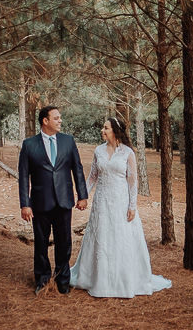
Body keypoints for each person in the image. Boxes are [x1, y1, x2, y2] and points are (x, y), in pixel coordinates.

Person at [69, 117, 172, 298]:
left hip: (120, 201)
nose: (103, 130)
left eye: (106, 128)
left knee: (120, 237)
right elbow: (93, 176)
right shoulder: (99, 150)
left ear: (115, 131)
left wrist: (132, 206)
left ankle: (123, 279)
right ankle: (97, 278)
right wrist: (83, 195)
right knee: (101, 235)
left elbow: (132, 181)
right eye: (103, 127)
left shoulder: (127, 153)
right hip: (101, 202)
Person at [18, 105, 88, 294]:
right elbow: (24, 177)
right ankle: (42, 280)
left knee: (64, 242)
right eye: (56, 118)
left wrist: (83, 196)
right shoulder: (29, 145)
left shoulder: (68, 141)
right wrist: (25, 204)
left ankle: (63, 281)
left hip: (64, 201)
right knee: (40, 243)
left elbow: (78, 169)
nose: (60, 121)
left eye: (60, 118)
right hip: (40, 203)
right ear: (45, 121)